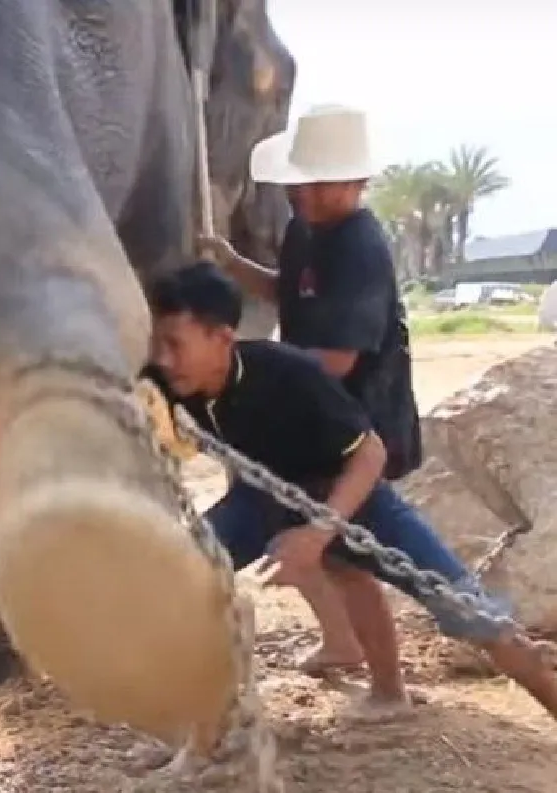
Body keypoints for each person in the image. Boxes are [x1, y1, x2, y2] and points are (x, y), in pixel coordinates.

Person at [143, 261, 557, 719]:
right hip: (262, 498)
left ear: (221, 339)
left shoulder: (289, 375)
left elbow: (370, 455)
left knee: (472, 616)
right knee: (181, 575)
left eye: (174, 345)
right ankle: (200, 723)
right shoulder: (170, 382)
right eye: (156, 344)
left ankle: (416, 690)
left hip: (350, 494)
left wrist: (318, 533)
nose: (162, 359)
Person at [198, 104, 421, 675]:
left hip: (351, 425)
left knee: (347, 557)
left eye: (325, 186)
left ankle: (389, 686)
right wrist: (234, 265)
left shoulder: (359, 249)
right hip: (306, 415)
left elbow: (337, 361)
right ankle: (341, 645)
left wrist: (247, 377)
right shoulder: (306, 229)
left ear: (359, 182)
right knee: (297, 532)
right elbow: (289, 294)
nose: (310, 196)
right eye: (302, 184)